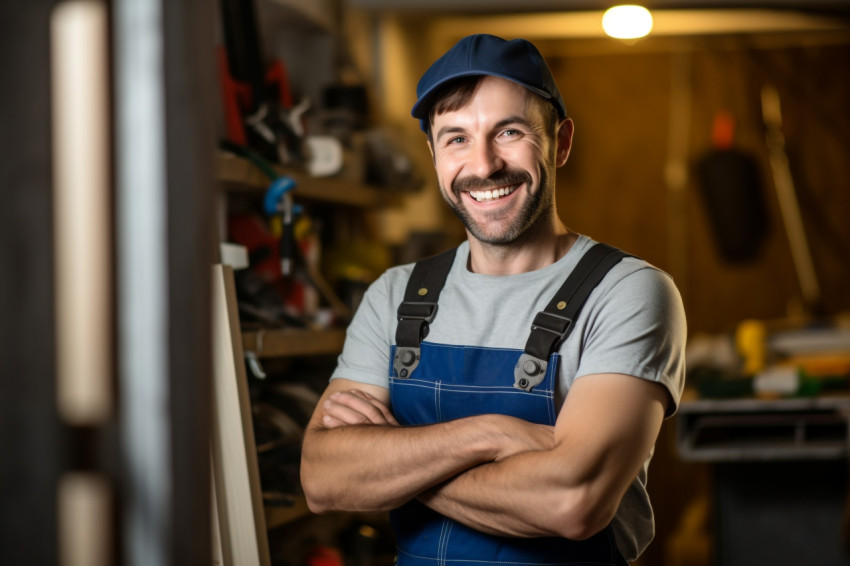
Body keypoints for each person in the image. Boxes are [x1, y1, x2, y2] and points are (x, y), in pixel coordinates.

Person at [300, 33, 686, 565]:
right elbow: (323, 478)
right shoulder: (395, 295)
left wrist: (393, 465)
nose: (483, 165)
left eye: (508, 132)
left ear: (561, 141)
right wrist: (491, 435)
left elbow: (572, 501)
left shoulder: (626, 293)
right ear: (434, 154)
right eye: (456, 138)